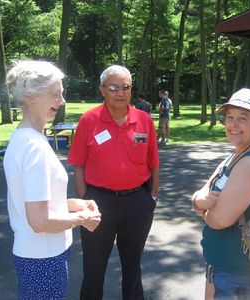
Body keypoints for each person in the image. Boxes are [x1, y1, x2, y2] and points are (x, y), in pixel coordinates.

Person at [3, 60, 101, 300]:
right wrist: (83, 218)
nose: (62, 101)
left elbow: (34, 202)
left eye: (62, 93)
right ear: (31, 97)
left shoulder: (26, 139)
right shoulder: (34, 147)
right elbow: (39, 221)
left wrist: (70, 204)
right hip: (43, 257)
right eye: (55, 94)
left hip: (38, 254)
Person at [67, 65, 159, 300]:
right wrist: (86, 201)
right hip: (99, 201)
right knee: (94, 267)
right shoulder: (89, 120)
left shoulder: (144, 119)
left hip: (137, 202)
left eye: (125, 87)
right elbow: (78, 164)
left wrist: (152, 197)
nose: (120, 92)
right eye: (114, 87)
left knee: (133, 265)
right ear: (102, 90)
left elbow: (153, 162)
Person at [191, 88, 250, 299]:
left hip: (238, 275)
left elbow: (218, 220)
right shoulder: (236, 156)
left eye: (242, 118)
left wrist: (203, 207)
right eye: (230, 117)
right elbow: (201, 192)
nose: (233, 124)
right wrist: (199, 200)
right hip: (223, 268)